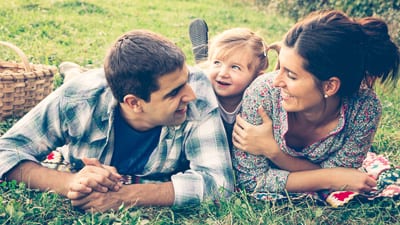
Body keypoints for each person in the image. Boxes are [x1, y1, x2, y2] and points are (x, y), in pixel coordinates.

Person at [0, 29, 234, 212]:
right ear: (134, 103)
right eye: (173, 93)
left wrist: (123, 196)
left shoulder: (199, 93)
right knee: (77, 81)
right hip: (90, 87)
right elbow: (6, 150)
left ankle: (74, 69)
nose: (190, 95)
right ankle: (73, 72)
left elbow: (219, 183)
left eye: (186, 80)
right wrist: (70, 183)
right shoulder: (77, 98)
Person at [232, 10, 400, 196]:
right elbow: (251, 179)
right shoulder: (263, 94)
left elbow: (342, 175)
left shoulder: (364, 109)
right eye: (280, 67)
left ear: (329, 86)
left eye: (291, 75)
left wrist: (274, 153)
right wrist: (332, 177)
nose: (276, 81)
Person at [189, 19, 278, 150]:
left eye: (235, 67)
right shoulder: (201, 90)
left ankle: (208, 59)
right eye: (217, 62)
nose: (224, 73)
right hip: (209, 138)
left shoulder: (257, 101)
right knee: (204, 76)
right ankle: (204, 61)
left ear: (257, 78)